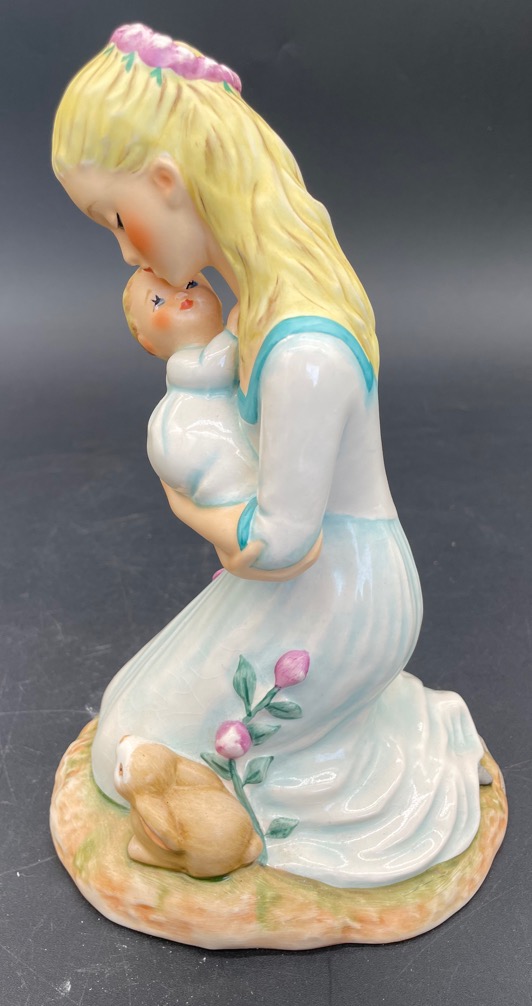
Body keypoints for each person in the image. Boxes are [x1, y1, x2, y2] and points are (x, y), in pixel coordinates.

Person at [51, 23, 485, 888]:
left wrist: (182, 500)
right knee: (125, 733)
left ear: (168, 183)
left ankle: (322, 782)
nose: (128, 254)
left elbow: (281, 541)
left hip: (342, 597)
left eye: (118, 220)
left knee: (131, 746)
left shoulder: (301, 349)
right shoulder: (258, 305)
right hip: (313, 585)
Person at [123, 268, 257, 505]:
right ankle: (227, 492)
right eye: (158, 301)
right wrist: (233, 332)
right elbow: (216, 368)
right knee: (230, 465)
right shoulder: (181, 362)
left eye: (191, 284)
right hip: (197, 446)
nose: (181, 296)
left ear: (217, 298)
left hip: (222, 437)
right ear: (148, 343)